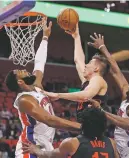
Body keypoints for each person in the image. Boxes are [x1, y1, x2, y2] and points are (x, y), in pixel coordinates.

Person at [5, 20, 81, 158]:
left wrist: (45, 37)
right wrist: (80, 127)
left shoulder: (36, 86)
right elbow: (49, 119)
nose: (24, 69)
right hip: (30, 147)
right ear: (20, 82)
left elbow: (40, 63)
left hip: (44, 147)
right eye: (20, 71)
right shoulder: (24, 99)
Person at [43, 24, 110, 122]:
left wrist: (58, 95)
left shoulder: (98, 79)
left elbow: (86, 95)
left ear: (96, 68)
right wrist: (76, 37)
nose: (86, 65)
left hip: (94, 129)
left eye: (89, 63)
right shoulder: (88, 81)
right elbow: (78, 61)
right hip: (85, 126)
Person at [88, 33, 129, 158]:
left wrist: (101, 111)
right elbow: (115, 70)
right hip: (122, 150)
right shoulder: (126, 95)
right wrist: (102, 47)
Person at [22, 107, 119, 158]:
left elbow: (50, 156)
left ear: (83, 123)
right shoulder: (112, 143)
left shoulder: (72, 143)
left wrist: (36, 151)